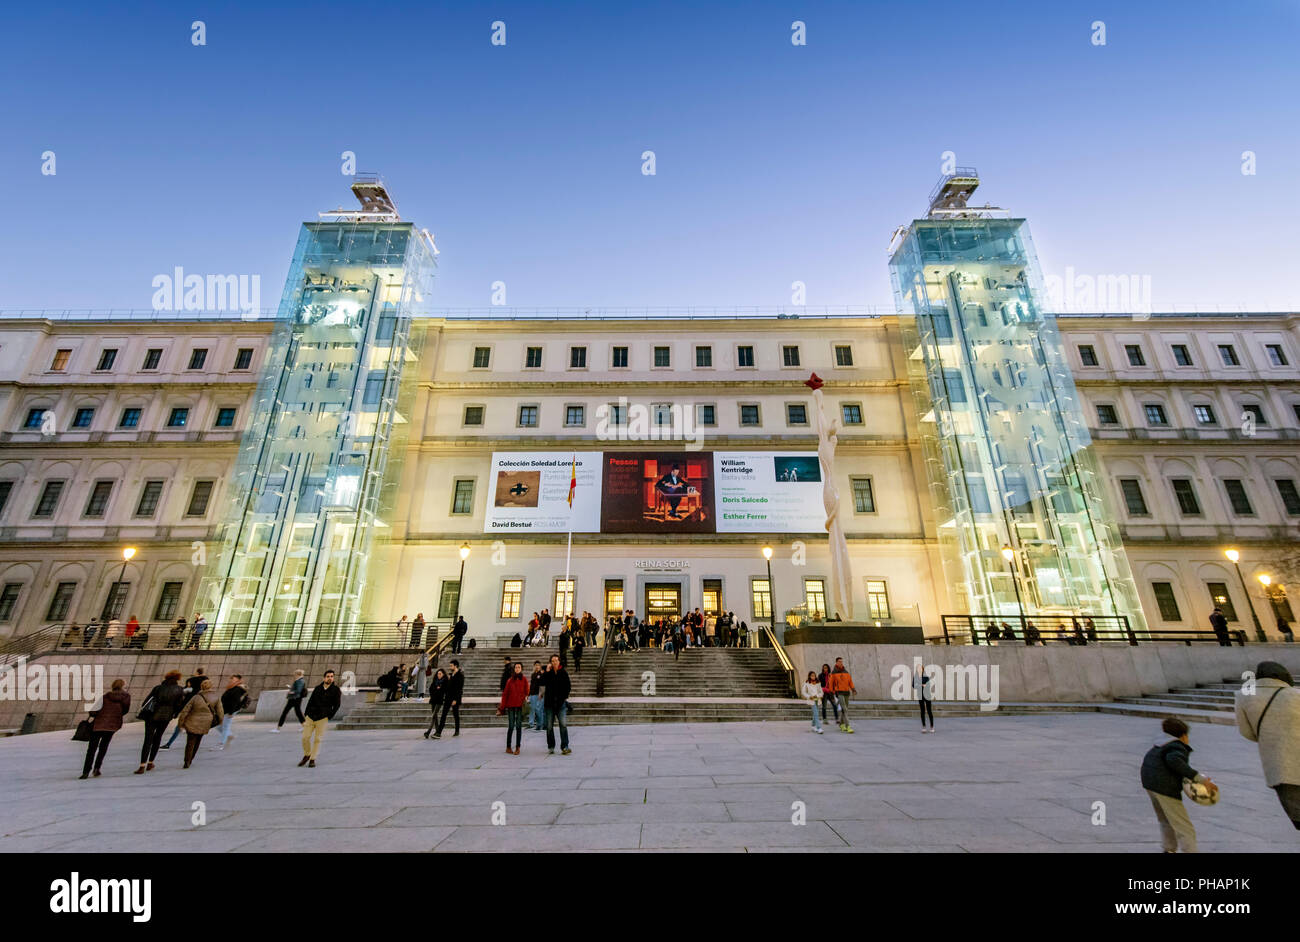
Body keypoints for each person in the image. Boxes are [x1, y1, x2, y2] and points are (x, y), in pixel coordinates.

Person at [1233, 661, 1300, 829]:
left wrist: (1271, 739)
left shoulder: (1243, 697)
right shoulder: (1296, 695)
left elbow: (1246, 732)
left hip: (1279, 768)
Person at [1140, 716, 1215, 853]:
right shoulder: (1176, 747)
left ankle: (1168, 849)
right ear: (1183, 736)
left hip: (1150, 783)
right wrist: (1201, 780)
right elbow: (1174, 761)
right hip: (1164, 787)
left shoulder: (1160, 744)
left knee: (1165, 820)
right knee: (1183, 825)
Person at [135, 670, 184, 773]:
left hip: (152, 716)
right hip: (166, 717)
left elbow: (147, 701)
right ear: (177, 679)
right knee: (158, 738)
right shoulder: (179, 690)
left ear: (166, 677)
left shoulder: (158, 688)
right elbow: (179, 705)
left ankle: (142, 765)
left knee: (148, 739)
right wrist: (174, 714)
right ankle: (150, 762)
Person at [80, 678, 130, 778]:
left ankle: (85, 772)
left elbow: (93, 712)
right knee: (103, 747)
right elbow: (125, 710)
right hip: (112, 725)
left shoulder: (105, 696)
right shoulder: (126, 697)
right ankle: (97, 768)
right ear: (123, 686)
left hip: (99, 725)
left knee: (91, 749)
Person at [175, 678, 222, 770]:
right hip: (205, 723)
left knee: (190, 742)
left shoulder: (196, 697)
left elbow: (185, 710)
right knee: (198, 741)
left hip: (192, 722)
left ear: (202, 687)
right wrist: (219, 721)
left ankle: (187, 761)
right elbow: (220, 712)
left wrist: (181, 723)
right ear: (211, 686)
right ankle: (191, 759)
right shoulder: (216, 697)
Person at [298, 670, 341, 767]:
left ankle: (312, 759)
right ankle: (307, 754)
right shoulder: (317, 688)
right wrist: (306, 714)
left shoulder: (336, 690)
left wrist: (329, 715)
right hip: (311, 716)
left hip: (322, 718)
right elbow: (311, 701)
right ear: (324, 678)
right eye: (328, 676)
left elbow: (337, 705)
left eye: (332, 676)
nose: (330, 678)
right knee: (305, 737)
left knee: (318, 739)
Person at [161, 667, 209, 749]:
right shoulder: (205, 683)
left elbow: (184, 693)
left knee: (179, 725)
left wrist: (176, 712)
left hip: (188, 706)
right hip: (199, 707)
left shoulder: (190, 682)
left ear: (197, 672)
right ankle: (194, 743)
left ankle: (169, 743)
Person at [543, 653, 572, 755]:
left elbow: (568, 686)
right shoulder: (548, 673)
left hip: (560, 704)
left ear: (559, 661)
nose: (554, 662)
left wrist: (564, 697)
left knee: (563, 725)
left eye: (556, 660)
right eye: (552, 661)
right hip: (549, 704)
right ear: (550, 663)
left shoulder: (563, 672)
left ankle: (565, 746)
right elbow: (542, 682)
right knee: (549, 726)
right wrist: (546, 671)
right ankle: (551, 746)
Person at [501, 661, 529, 755]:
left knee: (519, 726)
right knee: (511, 726)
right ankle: (508, 747)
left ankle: (518, 747)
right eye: (516, 667)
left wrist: (525, 696)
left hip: (520, 706)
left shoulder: (524, 679)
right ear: (514, 669)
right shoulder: (510, 680)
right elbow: (505, 694)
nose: (517, 669)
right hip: (511, 706)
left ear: (521, 669)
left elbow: (527, 690)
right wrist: (502, 707)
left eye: (519, 667)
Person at [432, 660, 464, 739]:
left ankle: (457, 730)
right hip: (448, 698)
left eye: (451, 666)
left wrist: (456, 699)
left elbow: (459, 689)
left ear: (455, 666)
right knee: (443, 715)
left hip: (455, 698)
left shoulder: (460, 675)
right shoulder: (451, 675)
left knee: (455, 715)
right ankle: (439, 732)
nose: (450, 667)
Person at [215, 674, 248, 749]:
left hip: (230, 710)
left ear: (238, 680)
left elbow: (234, 702)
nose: (231, 680)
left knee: (225, 726)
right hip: (226, 709)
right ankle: (229, 735)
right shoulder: (232, 687)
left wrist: (231, 712)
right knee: (218, 726)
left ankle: (221, 744)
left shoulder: (238, 689)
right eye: (231, 678)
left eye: (233, 679)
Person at [829, 657, 855, 733]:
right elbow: (831, 684)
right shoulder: (833, 673)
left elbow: (850, 681)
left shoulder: (846, 672)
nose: (841, 663)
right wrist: (831, 694)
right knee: (845, 709)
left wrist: (853, 689)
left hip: (847, 692)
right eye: (839, 661)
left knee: (844, 710)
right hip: (839, 693)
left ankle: (841, 723)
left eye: (842, 661)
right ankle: (848, 726)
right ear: (836, 662)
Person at [913, 662, 935, 733]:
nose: (919, 670)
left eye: (920, 669)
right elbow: (913, 685)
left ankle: (932, 726)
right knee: (922, 711)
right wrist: (921, 685)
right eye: (918, 669)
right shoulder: (915, 677)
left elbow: (928, 686)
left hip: (927, 695)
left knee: (929, 711)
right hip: (920, 696)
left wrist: (920, 685)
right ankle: (924, 726)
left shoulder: (926, 677)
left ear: (923, 670)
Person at [528, 660, 545, 730]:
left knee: (539, 710)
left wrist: (541, 693)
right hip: (532, 694)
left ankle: (540, 724)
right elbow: (531, 685)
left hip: (539, 694)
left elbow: (543, 685)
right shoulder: (533, 674)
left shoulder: (541, 674)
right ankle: (531, 723)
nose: (537, 666)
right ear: (534, 666)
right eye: (536, 665)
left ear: (540, 666)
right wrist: (528, 694)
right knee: (532, 709)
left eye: (538, 665)